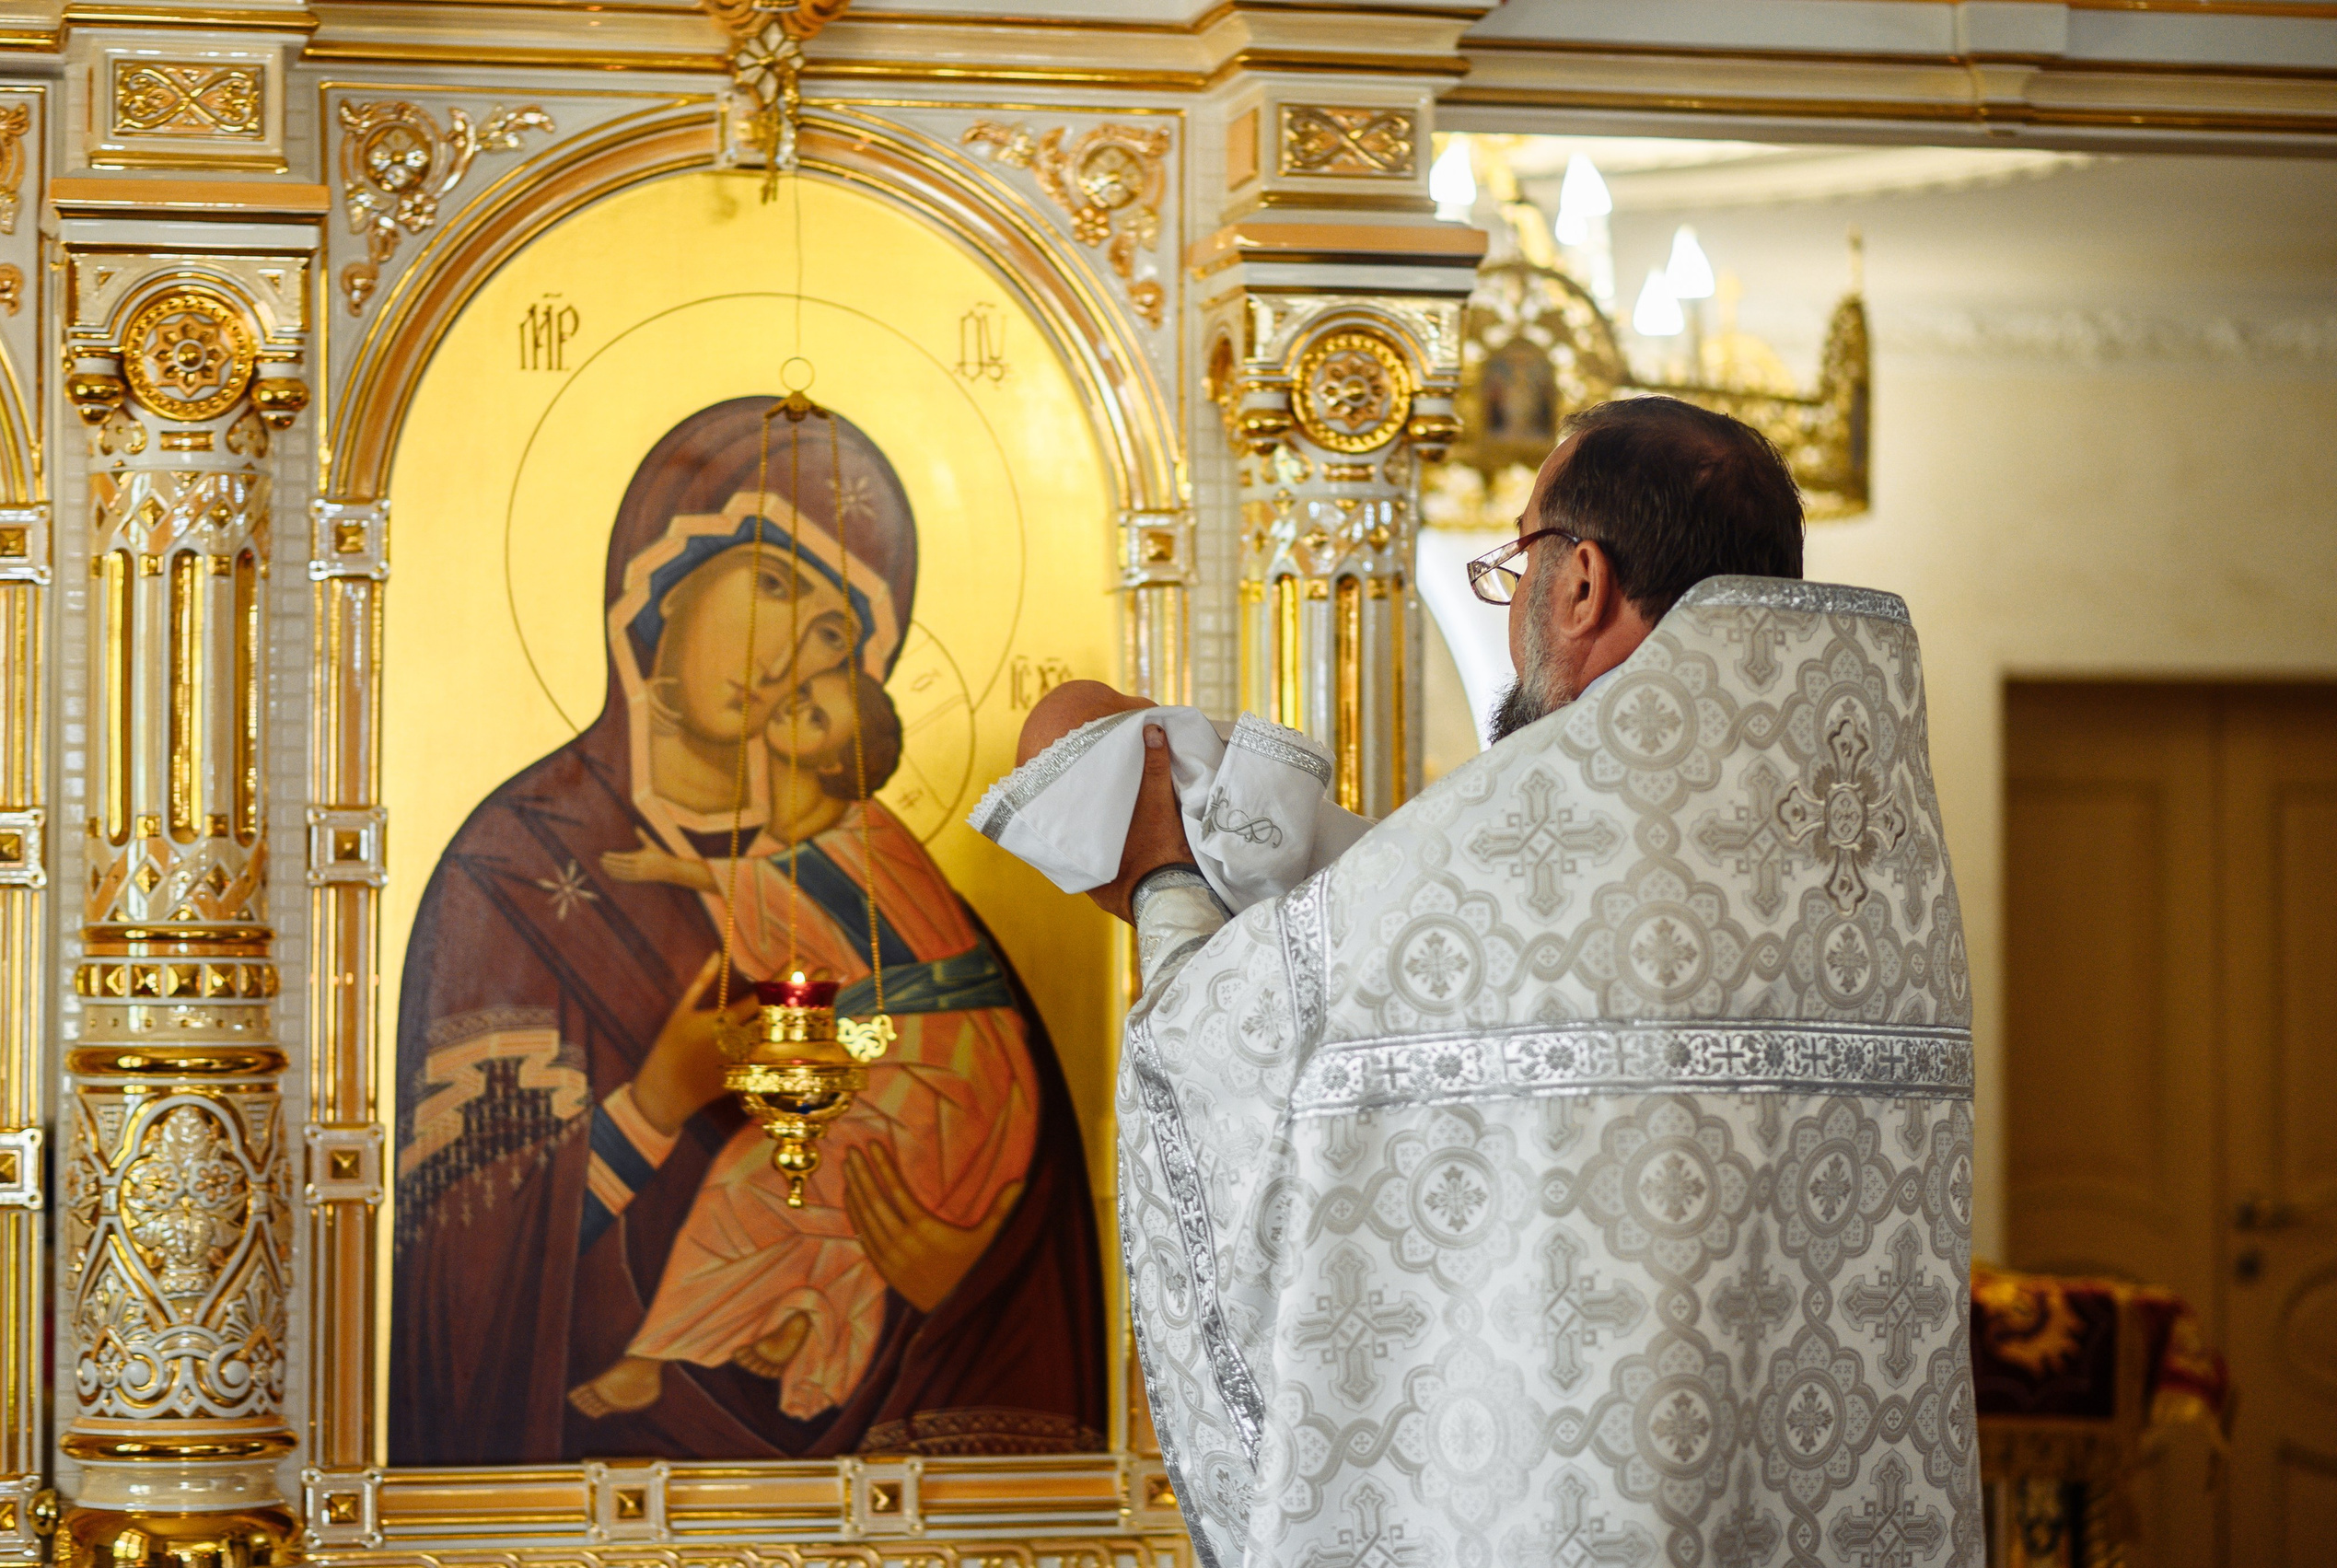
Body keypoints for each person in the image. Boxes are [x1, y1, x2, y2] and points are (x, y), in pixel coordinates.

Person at [1075, 397, 1977, 1568]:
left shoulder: (1508, 837)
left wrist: (1162, 875)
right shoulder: (1877, 844)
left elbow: (1211, 1053)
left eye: (1516, 567)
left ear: (1583, 580)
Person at [390, 398, 1104, 1465]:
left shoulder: (886, 878)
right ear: (657, 582)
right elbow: (449, 1251)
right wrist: (651, 1108)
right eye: (772, 581)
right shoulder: (518, 870)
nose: (789, 650)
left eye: (834, 630)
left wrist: (959, 1267)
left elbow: (1019, 1154)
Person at [571, 667, 1040, 1423]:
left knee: (760, 1173)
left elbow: (793, 888)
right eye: (806, 693)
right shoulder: (794, 844)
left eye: (818, 714)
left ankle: (653, 1355)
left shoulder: (870, 835)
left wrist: (676, 869)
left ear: (832, 762)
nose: (797, 701)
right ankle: (807, 1309)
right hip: (894, 1048)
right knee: (830, 1181)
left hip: (951, 1060)